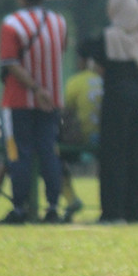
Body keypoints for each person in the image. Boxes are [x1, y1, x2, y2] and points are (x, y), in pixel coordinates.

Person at [0, 0, 67, 224]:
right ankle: (53, 207)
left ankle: (20, 208)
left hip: (18, 101)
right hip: (52, 101)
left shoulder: (12, 24)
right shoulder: (59, 22)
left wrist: (35, 88)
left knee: (18, 153)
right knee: (48, 152)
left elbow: (10, 63)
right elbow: (61, 49)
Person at [94, 0, 138, 223]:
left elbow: (96, 61)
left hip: (116, 99)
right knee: (137, 154)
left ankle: (113, 211)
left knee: (113, 155)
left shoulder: (109, 36)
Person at [59, 38, 103, 222]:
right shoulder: (106, 80)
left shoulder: (75, 82)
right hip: (105, 140)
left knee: (53, 158)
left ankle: (71, 199)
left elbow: (66, 112)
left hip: (79, 141)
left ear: (84, 60)